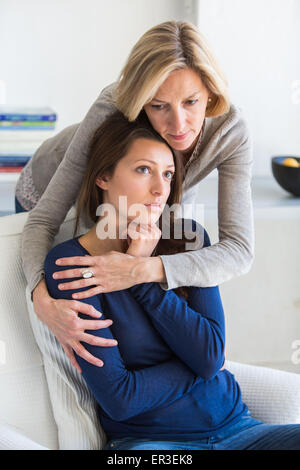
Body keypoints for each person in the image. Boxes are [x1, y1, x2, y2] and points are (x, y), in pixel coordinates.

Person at [44, 111, 300, 451]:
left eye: (167, 173)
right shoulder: (72, 264)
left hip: (241, 431)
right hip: (151, 445)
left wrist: (138, 274)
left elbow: (210, 354)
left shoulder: (189, 239)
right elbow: (120, 397)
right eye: (143, 170)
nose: (159, 188)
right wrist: (201, 365)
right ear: (103, 176)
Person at [18, 20, 254, 372]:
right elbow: (42, 220)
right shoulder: (113, 106)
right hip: (48, 190)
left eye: (191, 102)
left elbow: (239, 250)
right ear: (140, 101)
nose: (178, 125)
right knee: (78, 309)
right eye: (158, 105)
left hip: (137, 199)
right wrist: (39, 298)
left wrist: (147, 269)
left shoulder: (230, 131)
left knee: (152, 271)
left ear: (211, 92)